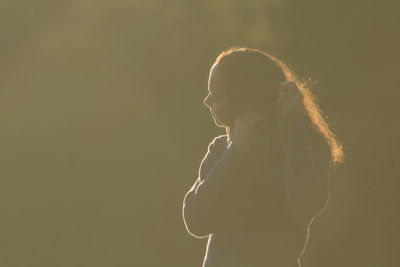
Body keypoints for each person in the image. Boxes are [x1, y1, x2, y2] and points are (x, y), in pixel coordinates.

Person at [182, 47, 344, 267]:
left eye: (216, 93)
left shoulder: (305, 147)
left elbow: (306, 202)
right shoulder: (222, 150)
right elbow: (196, 220)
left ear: (243, 97)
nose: (207, 101)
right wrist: (234, 155)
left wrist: (293, 124)